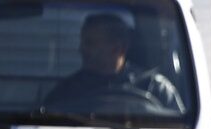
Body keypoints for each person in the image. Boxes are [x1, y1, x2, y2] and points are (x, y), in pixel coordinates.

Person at [45, 13, 184, 112]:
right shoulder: (66, 93)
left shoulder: (156, 89)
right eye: (83, 42)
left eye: (90, 43)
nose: (81, 49)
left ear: (117, 48)